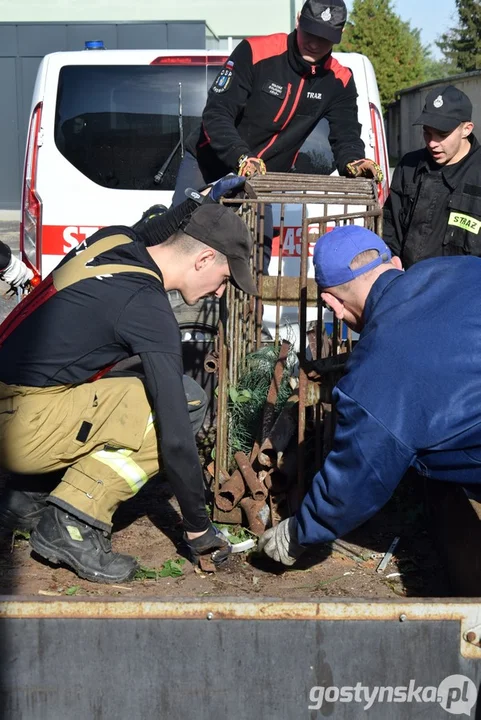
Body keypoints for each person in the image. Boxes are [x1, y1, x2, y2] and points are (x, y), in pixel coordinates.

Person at [0, 194, 257, 584]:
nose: (221, 292)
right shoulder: (148, 309)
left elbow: (153, 229)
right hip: (20, 428)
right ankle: (72, 519)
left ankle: (27, 497)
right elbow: (175, 436)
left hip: (12, 403)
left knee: (118, 380)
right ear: (203, 260)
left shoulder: (114, 241)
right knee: (186, 402)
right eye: (224, 278)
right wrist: (198, 527)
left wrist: (197, 204)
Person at [259, 224, 481, 565]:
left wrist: (300, 531)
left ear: (332, 304)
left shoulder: (379, 368)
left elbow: (359, 476)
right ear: (394, 264)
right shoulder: (458, 267)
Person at [172, 0, 383, 267]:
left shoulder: (339, 80)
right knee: (180, 243)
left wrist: (354, 161)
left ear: (338, 37)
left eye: (325, 39)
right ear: (298, 21)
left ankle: (254, 306)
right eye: (310, 33)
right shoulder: (256, 52)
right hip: (208, 162)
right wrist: (241, 157)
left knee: (256, 263)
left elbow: (347, 135)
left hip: (263, 180)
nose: (315, 44)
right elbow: (217, 113)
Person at [383, 85, 481, 269]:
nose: (432, 143)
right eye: (427, 132)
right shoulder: (409, 166)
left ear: (466, 129)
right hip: (409, 285)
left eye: (442, 134)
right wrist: (390, 259)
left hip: (464, 292)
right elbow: (390, 225)